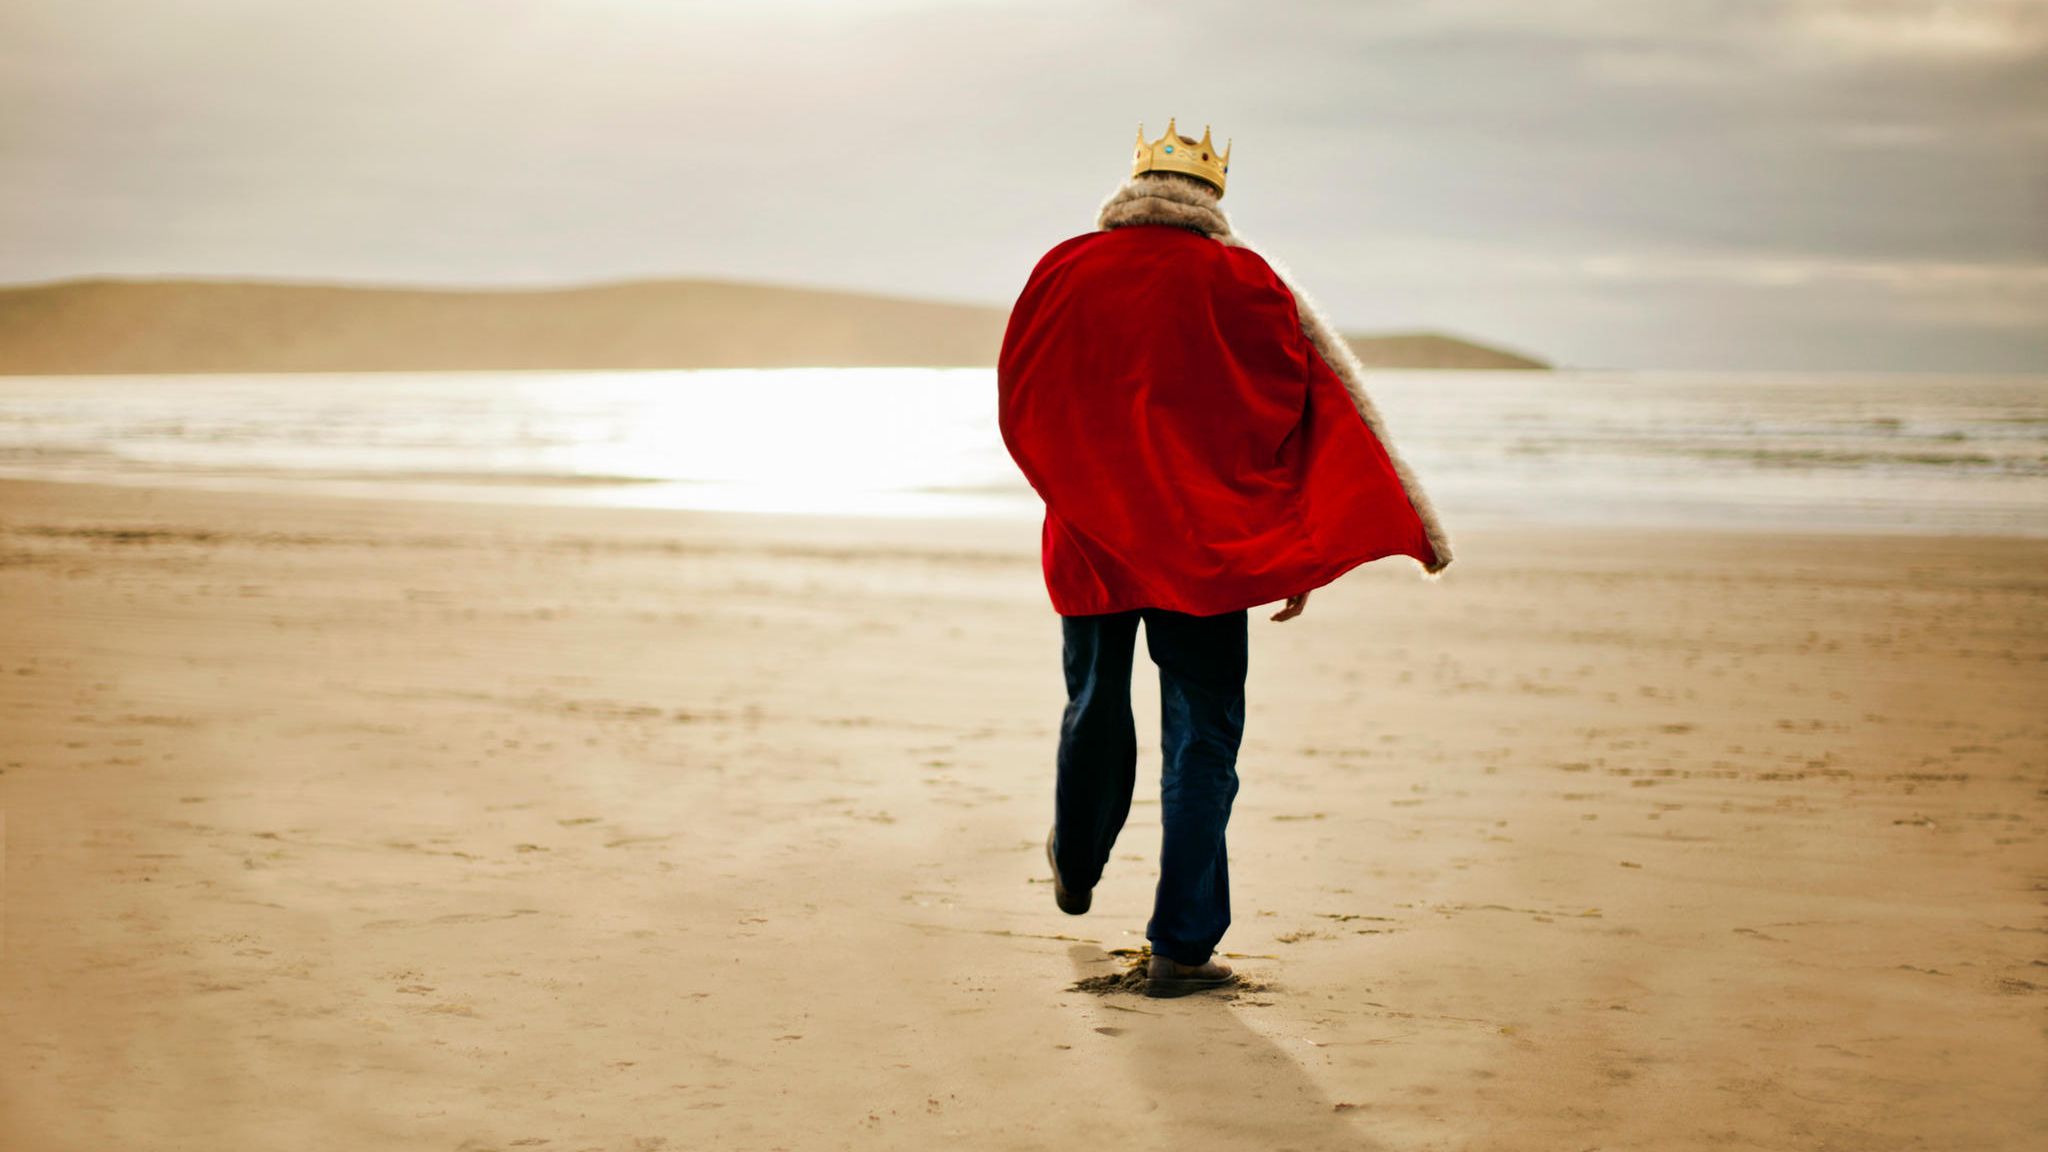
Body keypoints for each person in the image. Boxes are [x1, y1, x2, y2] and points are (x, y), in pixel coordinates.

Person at [996, 120, 1453, 998]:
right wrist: (1289, 553)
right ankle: (1182, 947)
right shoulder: (1246, 278)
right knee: (1202, 739)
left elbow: (1023, 395)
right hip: (1205, 545)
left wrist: (1075, 486)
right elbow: (1301, 413)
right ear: (1212, 196)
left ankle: (1077, 863)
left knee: (1093, 705)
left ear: (1133, 188)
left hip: (1090, 533)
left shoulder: (1064, 266)